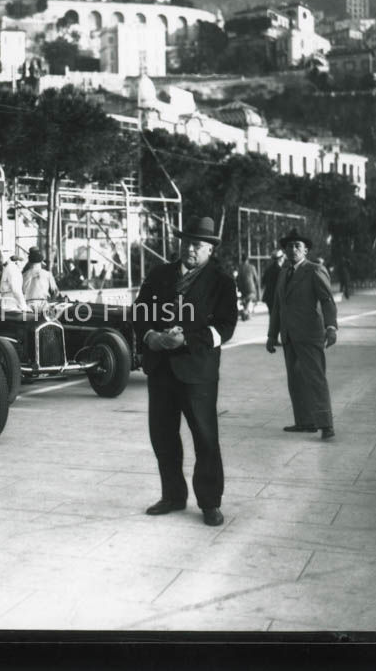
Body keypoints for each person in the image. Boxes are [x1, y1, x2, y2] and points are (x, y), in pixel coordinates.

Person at [133, 216, 238, 527]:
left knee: (205, 438)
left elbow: (226, 326)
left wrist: (188, 339)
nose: (190, 249)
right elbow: (140, 312)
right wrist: (151, 337)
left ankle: (209, 503)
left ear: (210, 249)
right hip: (161, 369)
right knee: (162, 436)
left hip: (198, 371)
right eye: (186, 243)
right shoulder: (159, 274)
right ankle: (172, 496)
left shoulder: (221, 281)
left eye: (198, 245)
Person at [266, 228, 338, 441]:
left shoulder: (315, 270)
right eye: (289, 245)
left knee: (315, 379)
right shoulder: (283, 273)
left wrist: (331, 326)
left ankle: (326, 425)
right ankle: (305, 422)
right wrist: (272, 335)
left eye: (298, 245)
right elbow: (278, 306)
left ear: (306, 250)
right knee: (295, 381)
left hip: (309, 334)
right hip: (289, 336)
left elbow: (327, 300)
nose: (293, 249)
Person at [261, 249, 285, 315]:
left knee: (272, 317)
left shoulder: (268, 269)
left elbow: (263, 282)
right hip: (278, 298)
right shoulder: (281, 271)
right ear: (281, 258)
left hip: (269, 298)